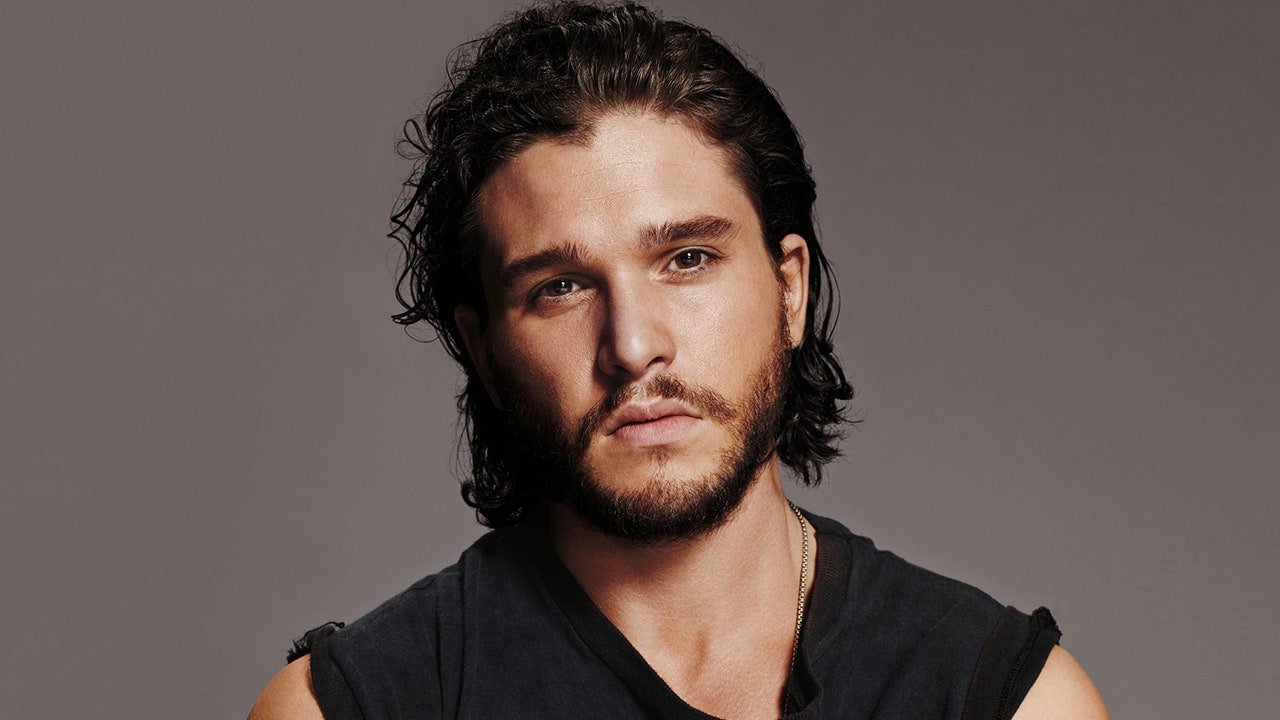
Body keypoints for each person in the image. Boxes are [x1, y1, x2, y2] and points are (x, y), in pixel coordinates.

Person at [251, 3, 1108, 718]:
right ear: (483, 350)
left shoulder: (1006, 700)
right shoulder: (352, 707)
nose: (633, 345)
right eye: (559, 287)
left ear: (789, 290)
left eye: (688, 259)